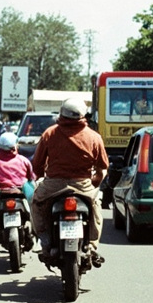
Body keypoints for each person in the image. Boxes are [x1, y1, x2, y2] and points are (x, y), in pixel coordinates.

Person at [31, 98, 109, 266]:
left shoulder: (49, 133)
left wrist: (39, 175)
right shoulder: (93, 137)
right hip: (83, 185)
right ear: (83, 115)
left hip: (53, 185)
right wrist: (95, 181)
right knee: (96, 206)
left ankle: (44, 239)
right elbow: (103, 166)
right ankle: (92, 245)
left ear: (62, 113)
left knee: (36, 202)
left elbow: (37, 165)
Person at [0, 131, 36, 225]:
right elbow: (31, 177)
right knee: (35, 200)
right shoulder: (23, 160)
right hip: (20, 190)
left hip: (1, 191)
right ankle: (34, 222)